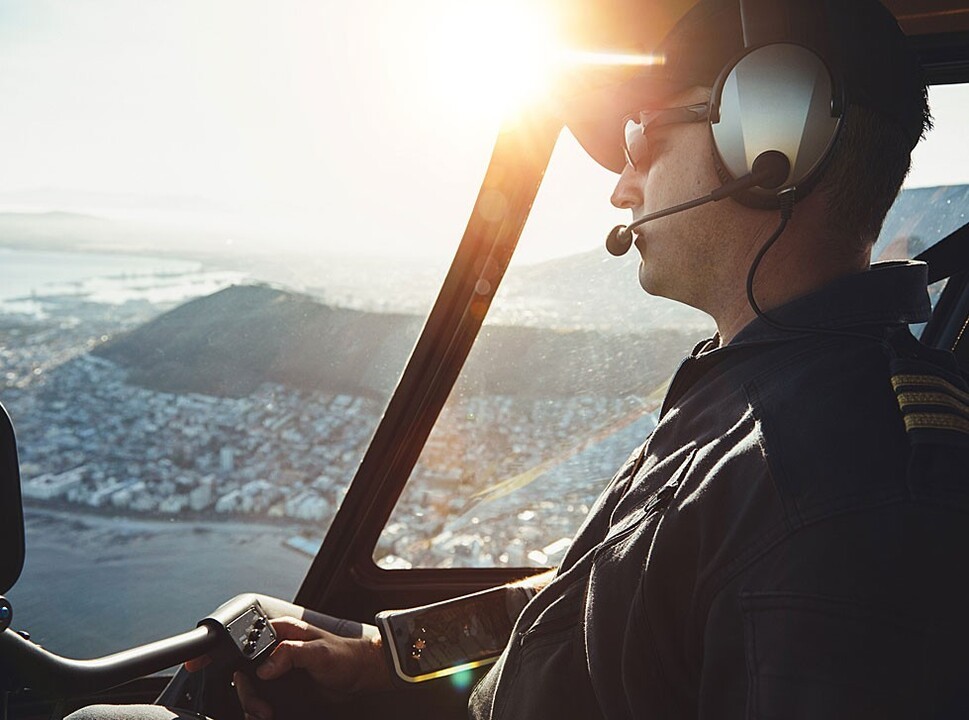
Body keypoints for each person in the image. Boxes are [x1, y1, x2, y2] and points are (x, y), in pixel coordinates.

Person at [71, 0, 969, 718]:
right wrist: (386, 659)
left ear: (771, 140)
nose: (621, 185)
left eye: (639, 140)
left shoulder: (848, 498)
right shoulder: (755, 393)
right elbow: (591, 595)